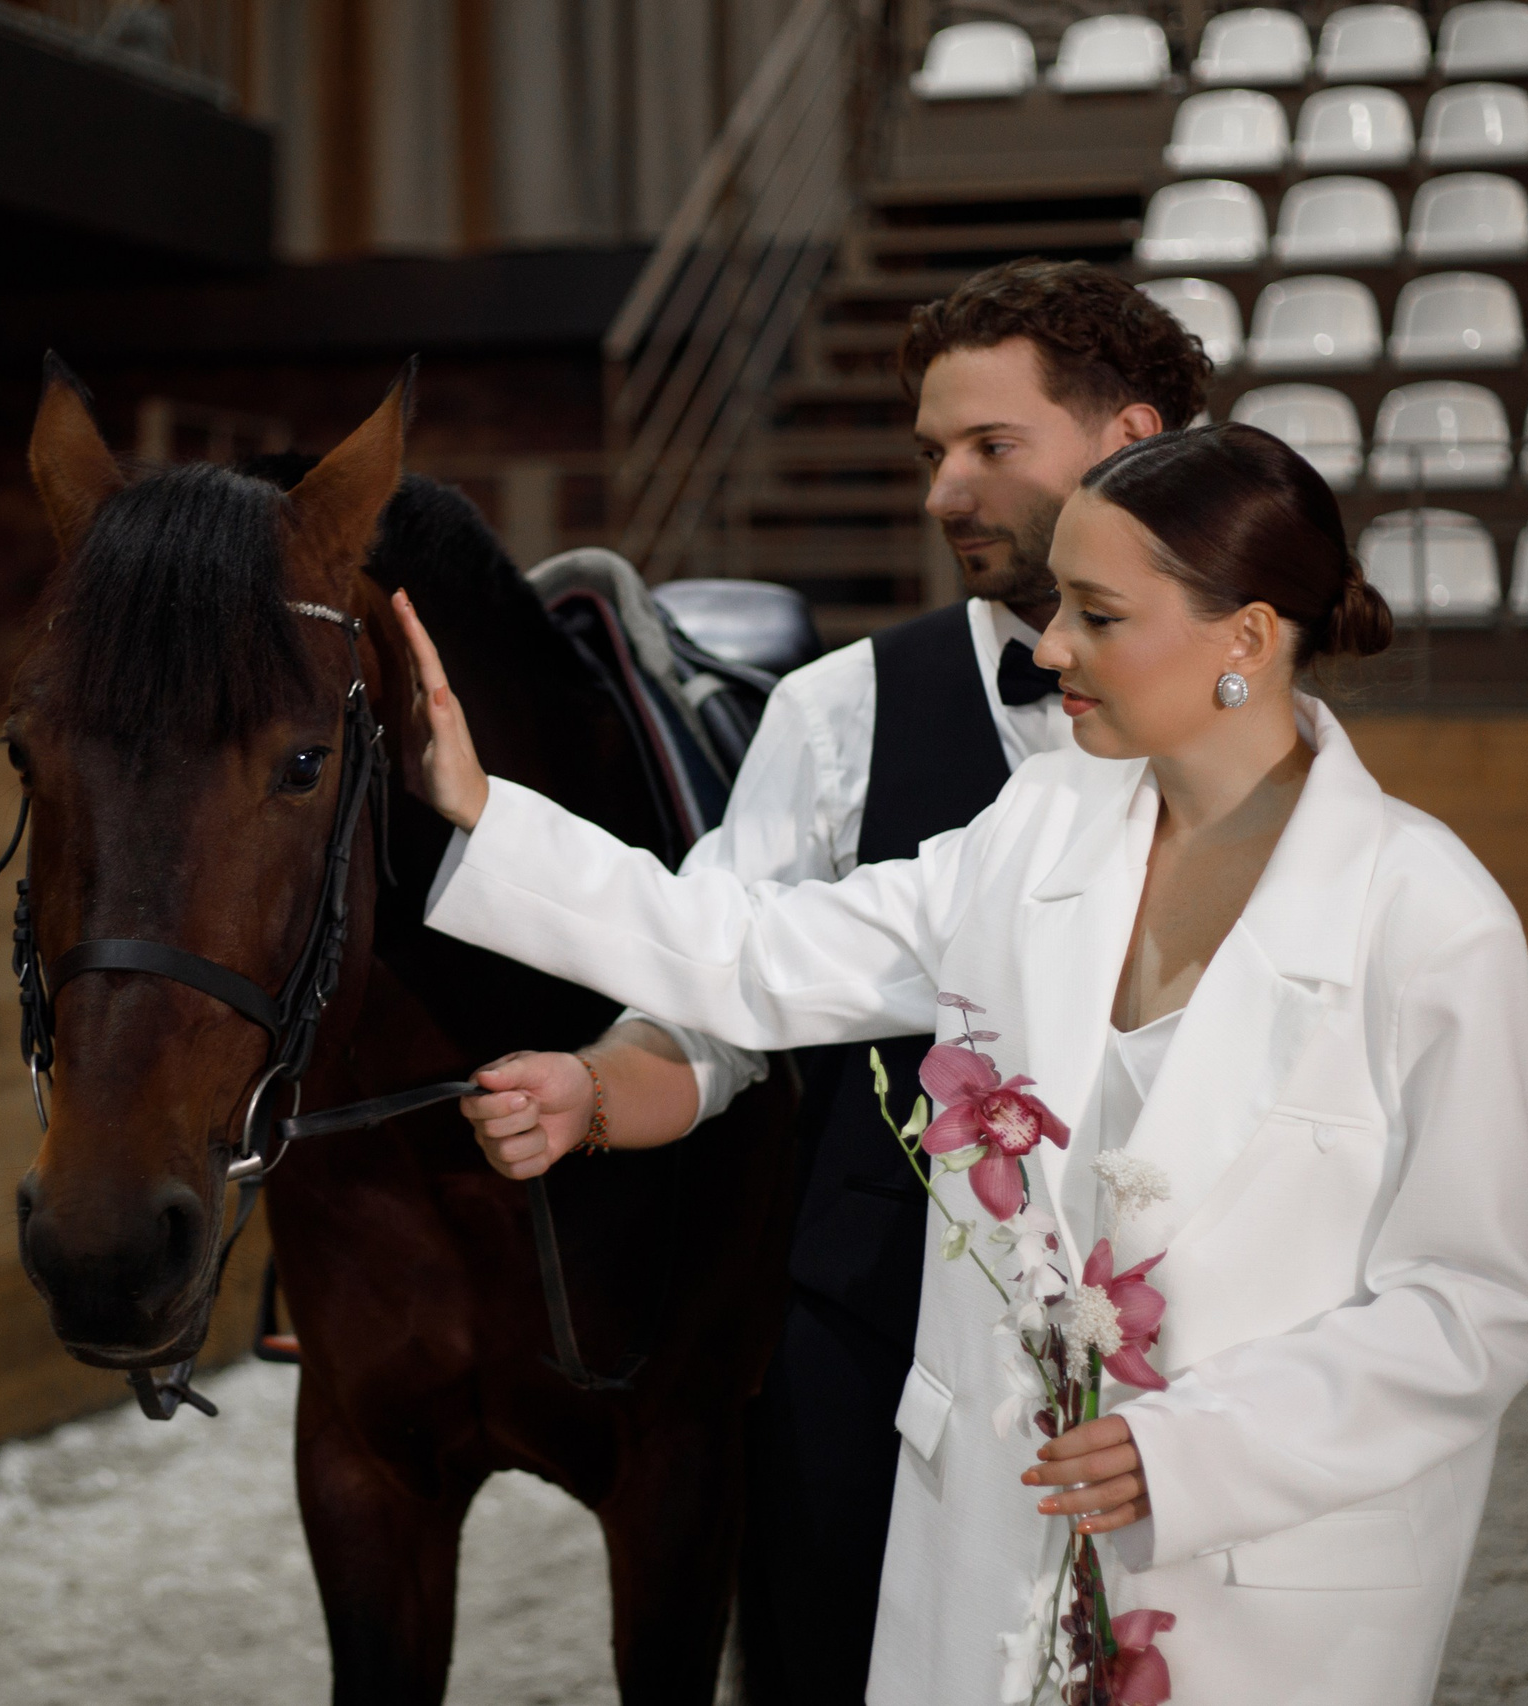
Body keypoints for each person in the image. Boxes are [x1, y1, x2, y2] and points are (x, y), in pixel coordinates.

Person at [392, 423, 1528, 1706]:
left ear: (1246, 635)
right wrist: (483, 808)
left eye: (1097, 614)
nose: (1047, 647)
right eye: (1057, 607)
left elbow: (1474, 1301)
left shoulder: (1428, 916)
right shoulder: (1039, 822)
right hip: (994, 1537)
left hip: (1261, 1572)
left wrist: (1202, 1452)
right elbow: (757, 951)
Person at [464, 258, 1213, 1703]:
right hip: (875, 1335)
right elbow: (725, 981)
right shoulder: (834, 711)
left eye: (990, 446)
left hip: (1179, 1337)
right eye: (932, 453)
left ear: (1126, 439)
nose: (945, 492)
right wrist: (595, 1089)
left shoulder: (1251, 730)